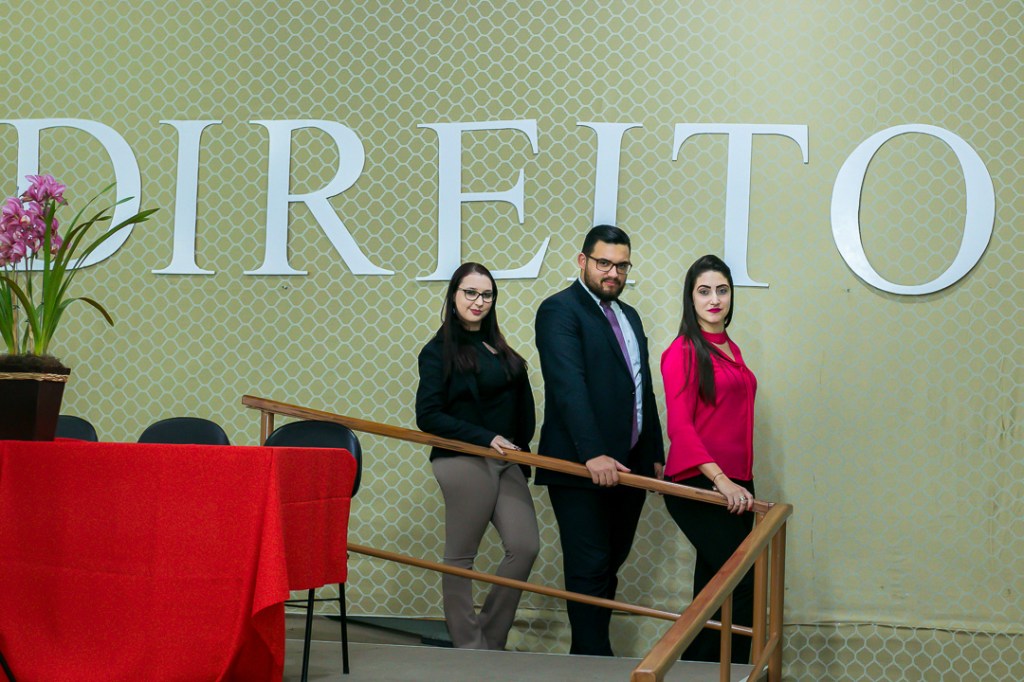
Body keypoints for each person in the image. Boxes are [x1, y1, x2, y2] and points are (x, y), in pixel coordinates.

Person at [534, 225, 664, 656]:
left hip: (631, 466)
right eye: (604, 263)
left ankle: (588, 657)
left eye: (621, 265)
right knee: (589, 569)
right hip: (579, 466)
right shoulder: (559, 310)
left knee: (609, 567)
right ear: (582, 261)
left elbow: (641, 388)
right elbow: (567, 385)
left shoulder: (630, 316)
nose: (613, 273)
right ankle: (593, 664)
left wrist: (654, 452)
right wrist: (593, 453)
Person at [415, 262, 540, 650]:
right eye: (470, 292)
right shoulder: (437, 352)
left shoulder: (498, 348)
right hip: (463, 458)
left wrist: (520, 450)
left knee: (525, 546)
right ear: (453, 295)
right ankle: (469, 646)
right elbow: (428, 416)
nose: (478, 301)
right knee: (461, 556)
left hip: (506, 461)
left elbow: (520, 407)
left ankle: (490, 639)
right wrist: (486, 438)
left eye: (487, 295)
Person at [660, 254, 758, 663]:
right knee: (742, 584)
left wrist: (738, 483)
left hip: (738, 483)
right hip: (702, 482)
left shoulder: (732, 348)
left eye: (722, 290)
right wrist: (722, 481)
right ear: (691, 298)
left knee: (714, 589)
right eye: (704, 291)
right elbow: (681, 428)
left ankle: (696, 672)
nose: (714, 299)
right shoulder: (682, 350)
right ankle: (727, 673)